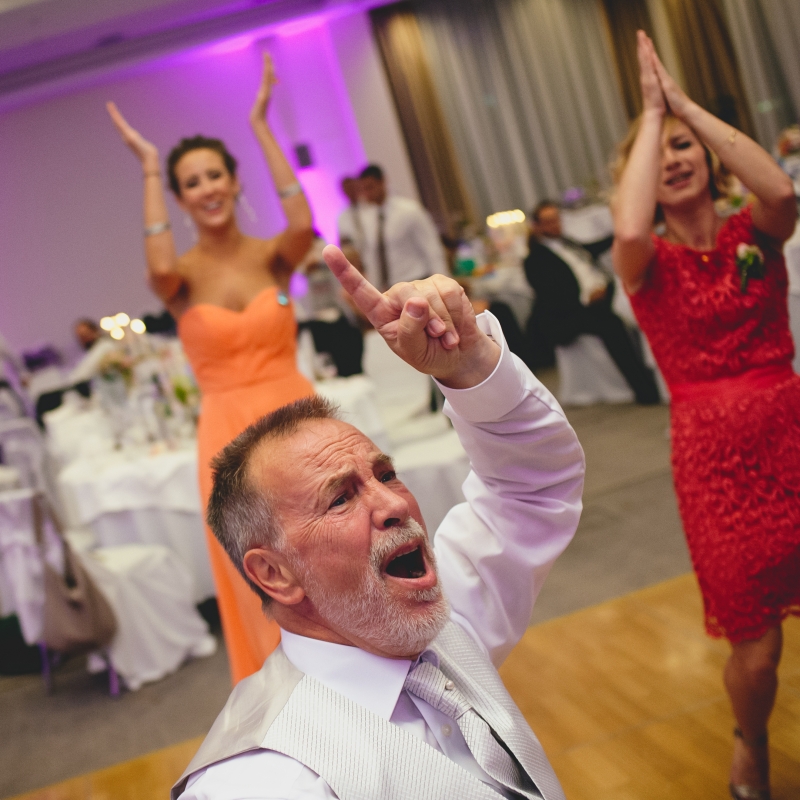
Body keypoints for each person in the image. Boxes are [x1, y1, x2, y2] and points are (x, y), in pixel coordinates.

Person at [172, 247, 585, 799]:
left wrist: (467, 367)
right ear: (274, 574)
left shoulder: (437, 620)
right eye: (340, 499)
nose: (394, 504)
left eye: (386, 474)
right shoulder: (265, 782)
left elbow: (528, 488)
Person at [612, 31, 800, 800]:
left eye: (683, 146)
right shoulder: (645, 263)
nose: (673, 159)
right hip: (716, 469)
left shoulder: (755, 232)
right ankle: (749, 740)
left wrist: (684, 105)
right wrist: (653, 114)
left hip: (792, 435)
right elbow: (629, 228)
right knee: (757, 653)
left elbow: (782, 191)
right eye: (656, 154)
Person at [107, 54, 315, 685]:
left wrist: (261, 126)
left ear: (234, 180)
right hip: (225, 433)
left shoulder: (274, 257)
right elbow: (156, 263)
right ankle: (287, 698)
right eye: (191, 182)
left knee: (323, 547)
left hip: (296, 417)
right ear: (180, 198)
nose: (207, 188)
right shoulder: (178, 279)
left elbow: (304, 222)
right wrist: (149, 168)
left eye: (215, 175)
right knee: (258, 569)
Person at [524, 201, 660, 404]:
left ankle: (655, 374)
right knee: (612, 325)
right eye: (549, 221)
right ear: (537, 226)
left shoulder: (567, 242)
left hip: (599, 299)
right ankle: (644, 390)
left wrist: (623, 233)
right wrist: (588, 297)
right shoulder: (534, 260)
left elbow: (593, 249)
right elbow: (554, 298)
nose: (556, 225)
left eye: (557, 219)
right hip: (569, 315)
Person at [355, 164, 448, 290]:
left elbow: (432, 249)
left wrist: (442, 284)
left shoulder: (409, 210)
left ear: (382, 182)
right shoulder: (366, 217)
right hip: (389, 286)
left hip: (416, 281)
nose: (367, 193)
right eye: (363, 189)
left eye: (370, 187)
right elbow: (371, 256)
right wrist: (373, 288)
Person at [336, 175, 365, 254]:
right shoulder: (342, 217)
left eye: (352, 187)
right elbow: (343, 242)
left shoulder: (371, 208)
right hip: (355, 256)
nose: (350, 191)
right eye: (347, 189)